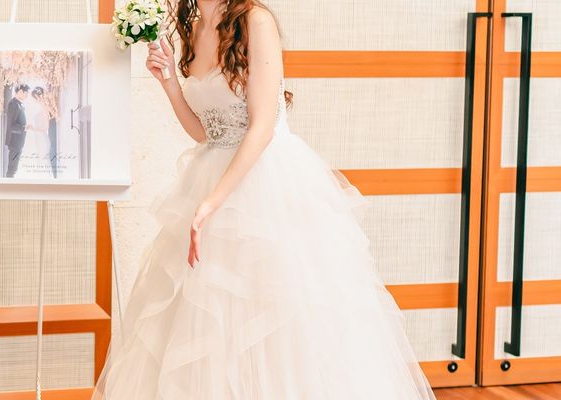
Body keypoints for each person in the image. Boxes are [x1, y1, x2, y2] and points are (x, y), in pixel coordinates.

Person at [92, 1, 437, 399]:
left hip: (267, 182)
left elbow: (262, 129)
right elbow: (206, 133)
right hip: (211, 176)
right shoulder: (195, 28)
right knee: (206, 317)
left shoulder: (256, 21)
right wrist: (168, 80)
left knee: (275, 317)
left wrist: (211, 203)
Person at [5, 84, 30, 178]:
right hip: (14, 142)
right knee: (12, 169)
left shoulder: (19, 104)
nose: (27, 96)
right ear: (20, 92)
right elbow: (11, 126)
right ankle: (8, 185)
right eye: (26, 94)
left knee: (14, 169)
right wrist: (24, 128)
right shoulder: (13, 104)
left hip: (18, 142)